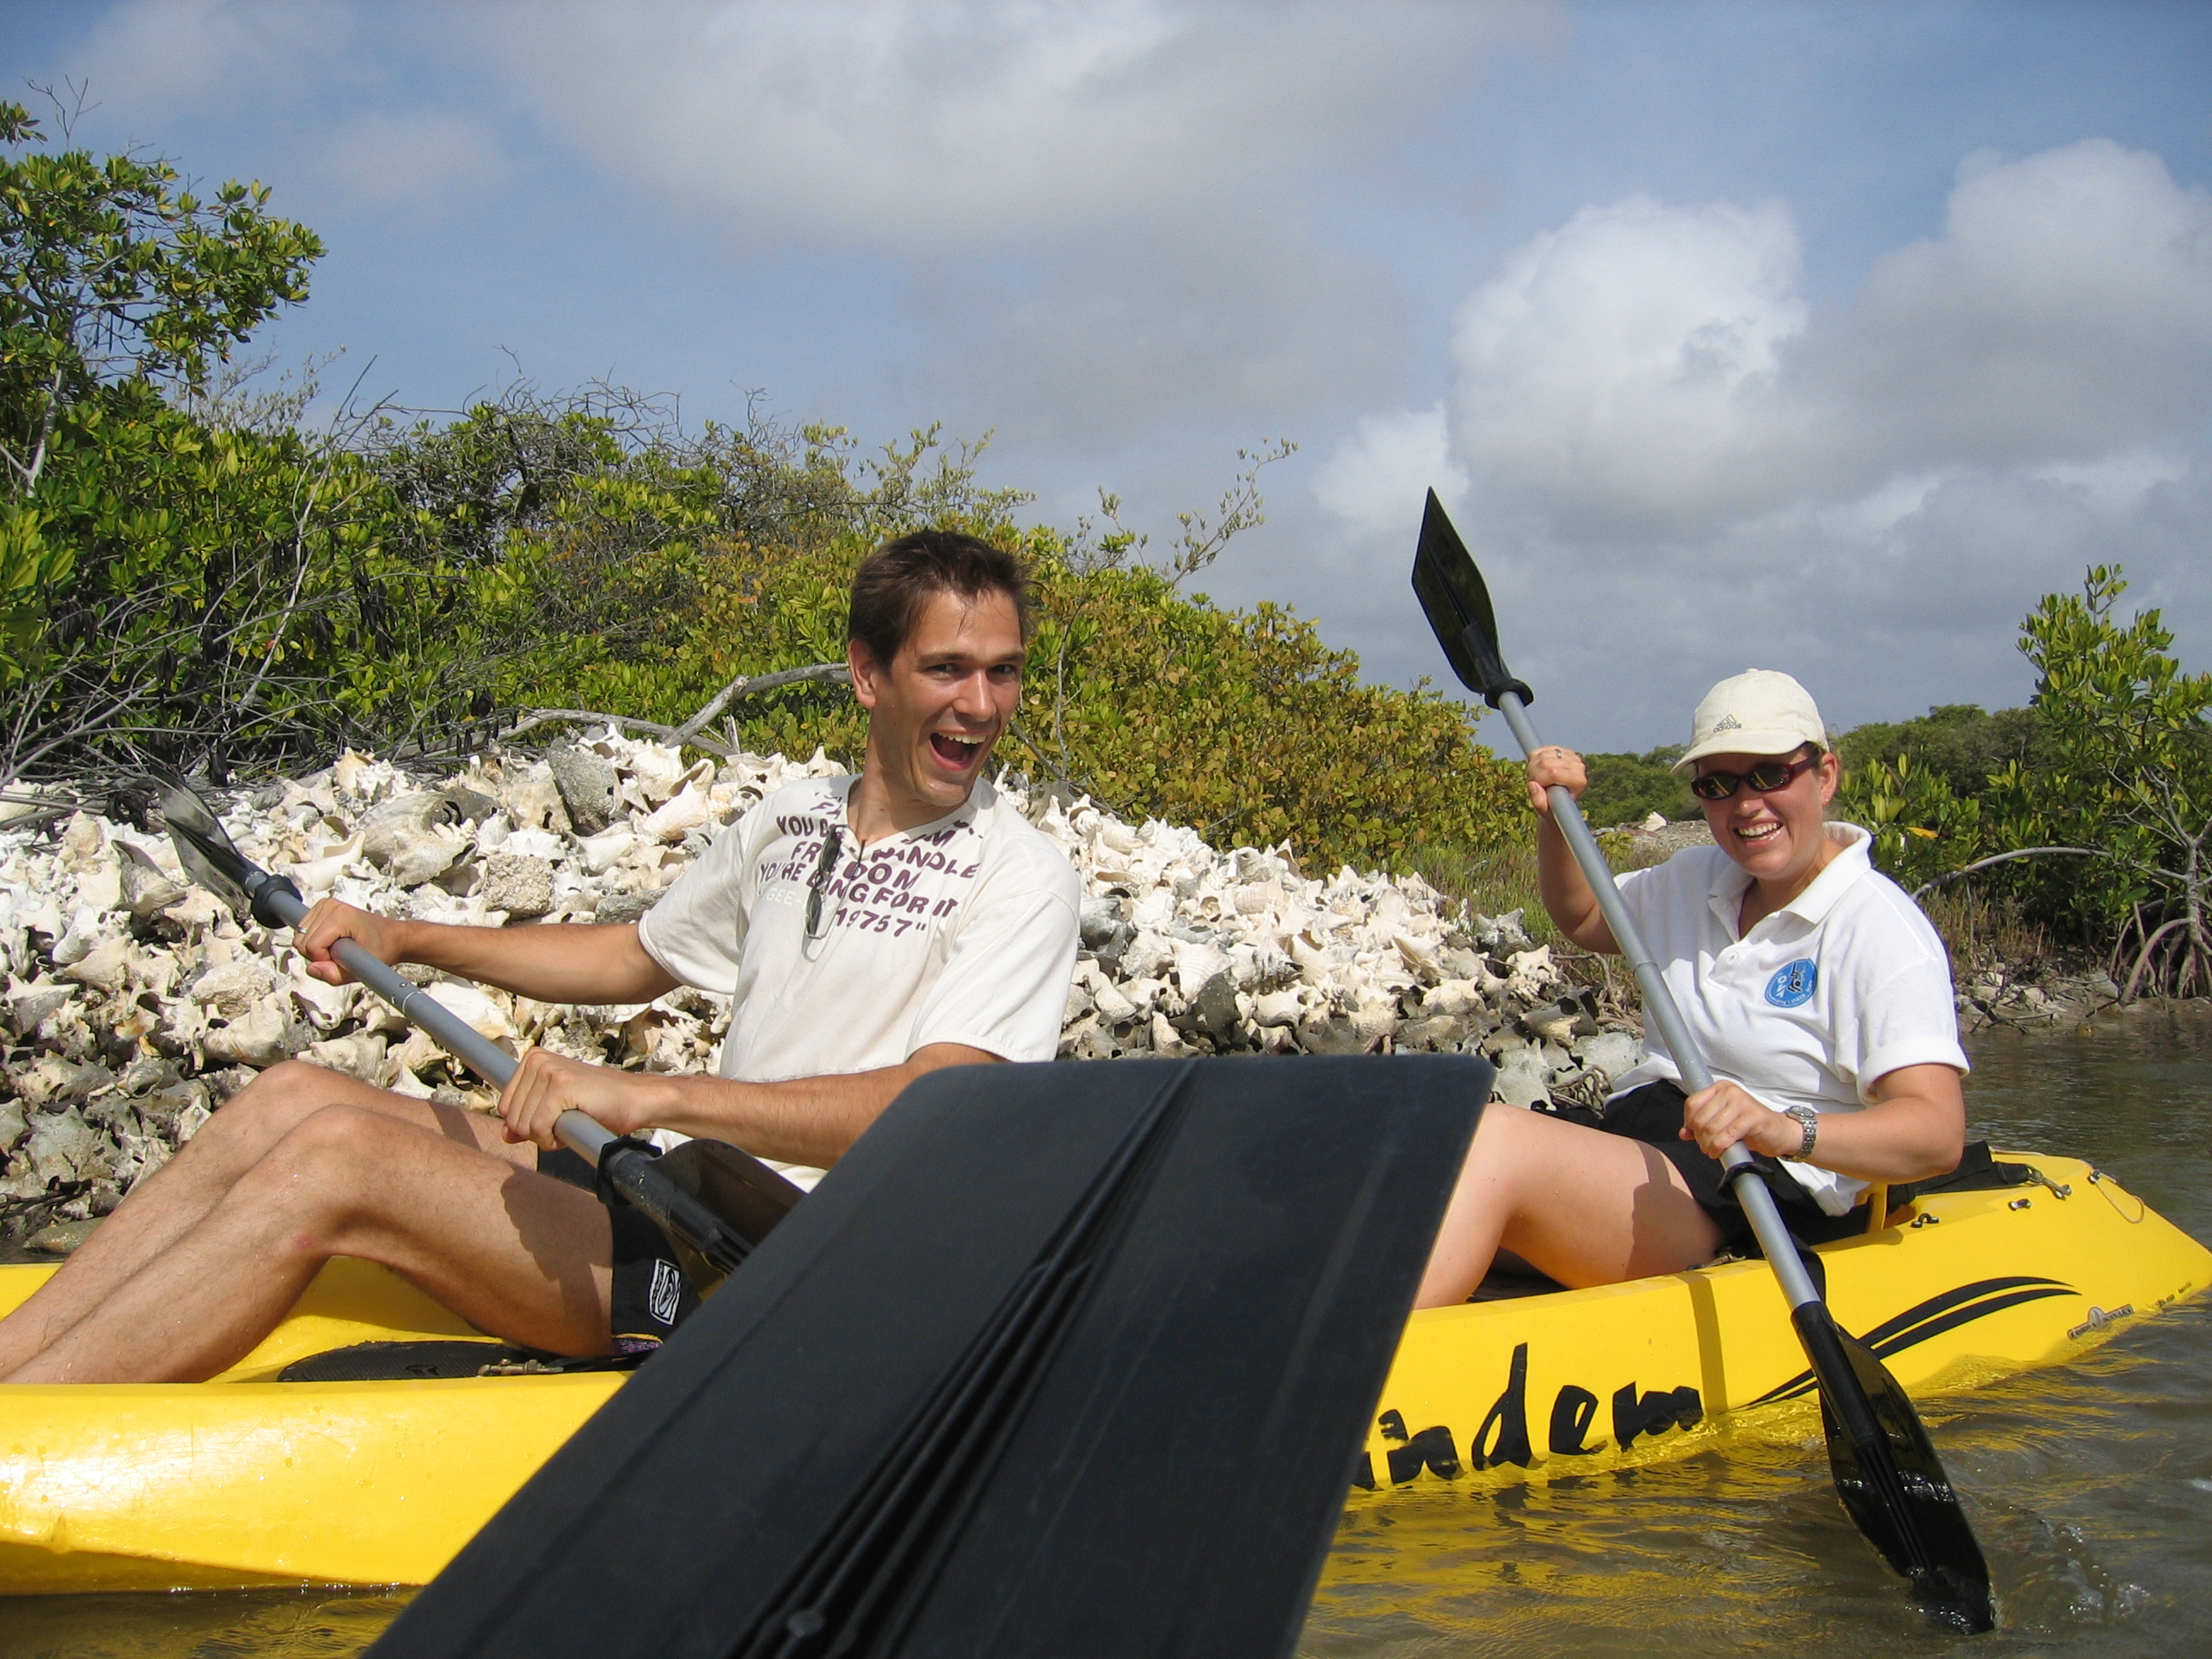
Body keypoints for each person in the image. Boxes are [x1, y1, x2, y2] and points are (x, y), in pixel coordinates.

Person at [0, 531, 1082, 1382]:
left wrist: (653, 1096)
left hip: (787, 1271)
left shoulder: (1020, 873)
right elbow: (628, 957)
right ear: (867, 674)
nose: (980, 706)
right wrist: (405, 937)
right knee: (289, 1098)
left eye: (1003, 673)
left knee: (340, 1162)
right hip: (676, 1192)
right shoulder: (792, 818)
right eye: (948, 669)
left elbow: (936, 1105)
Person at [1415, 669, 1968, 1309]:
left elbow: (1935, 1134)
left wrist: (1787, 1129)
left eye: (1770, 774)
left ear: (1825, 776)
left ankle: (1359, 1367)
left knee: (1498, 1140)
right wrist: (1556, 817)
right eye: (1718, 785)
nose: (1746, 803)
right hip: (1652, 1142)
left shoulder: (1878, 927)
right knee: (1422, 1138)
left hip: (1764, 1195)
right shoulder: (1698, 875)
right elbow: (1588, 918)